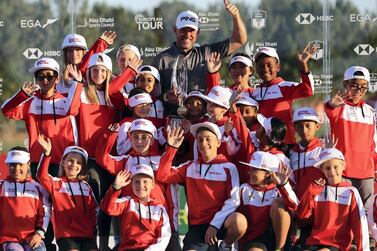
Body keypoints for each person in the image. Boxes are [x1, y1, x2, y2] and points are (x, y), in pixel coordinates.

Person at [156, 123, 247, 251]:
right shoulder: (190, 167)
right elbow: (163, 176)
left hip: (221, 223)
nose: (203, 143)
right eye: (200, 140)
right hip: (197, 227)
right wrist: (171, 148)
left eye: (208, 139)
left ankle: (225, 246)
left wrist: (214, 225)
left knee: (239, 221)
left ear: (218, 143)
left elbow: (234, 200)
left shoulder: (229, 167)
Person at [153, 0, 247, 115]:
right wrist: (166, 97)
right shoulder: (161, 59)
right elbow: (151, 93)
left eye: (191, 30)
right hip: (170, 119)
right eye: (183, 30)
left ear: (198, 32)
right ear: (175, 30)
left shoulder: (207, 52)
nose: (187, 35)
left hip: (201, 120)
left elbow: (239, 40)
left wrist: (236, 16)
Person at [1, 57, 82, 177]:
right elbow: (6, 111)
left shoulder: (65, 101)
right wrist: (21, 95)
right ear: (36, 79)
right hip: (38, 162)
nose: (45, 80)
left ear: (57, 79)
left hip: (63, 164)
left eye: (49, 76)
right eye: (40, 76)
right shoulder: (30, 102)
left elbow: (73, 109)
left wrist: (77, 83)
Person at [296, 148, 370, 250]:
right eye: (327, 168)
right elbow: (301, 214)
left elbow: (360, 225)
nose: (332, 171)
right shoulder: (316, 190)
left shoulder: (351, 192)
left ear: (343, 166)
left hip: (338, 245)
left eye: (336, 167)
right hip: (314, 242)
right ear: (322, 170)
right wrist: (310, 193)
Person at [325, 66, 376, 205]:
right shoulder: (339, 106)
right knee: (342, 211)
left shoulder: (370, 111)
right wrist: (331, 105)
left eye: (363, 87)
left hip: (366, 173)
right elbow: (330, 110)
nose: (359, 91)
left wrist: (374, 168)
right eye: (354, 86)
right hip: (343, 171)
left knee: (366, 214)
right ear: (345, 84)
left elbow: (372, 144)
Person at [37, 136, 98, 251]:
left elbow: (94, 210)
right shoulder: (57, 183)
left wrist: (93, 231)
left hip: (88, 235)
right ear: (63, 162)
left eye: (78, 162)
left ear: (82, 167)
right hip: (67, 236)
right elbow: (41, 176)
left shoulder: (86, 186)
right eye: (70, 160)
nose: (73, 164)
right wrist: (47, 154)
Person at [251, 45, 317, 145]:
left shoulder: (285, 87)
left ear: (278, 67)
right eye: (261, 65)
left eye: (269, 65)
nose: (265, 68)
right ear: (256, 69)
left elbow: (308, 90)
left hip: (285, 146)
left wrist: (303, 65)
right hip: (261, 147)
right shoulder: (254, 93)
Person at [238, 151, 298, 251]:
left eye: (254, 169)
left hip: (276, 239)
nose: (249, 172)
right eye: (250, 168)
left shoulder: (279, 190)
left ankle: (280, 249)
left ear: (268, 173)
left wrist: (283, 185)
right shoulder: (243, 189)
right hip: (255, 242)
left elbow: (296, 208)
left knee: (278, 203)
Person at [100, 166, 171, 250]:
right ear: (131, 184)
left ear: (152, 185)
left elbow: (164, 236)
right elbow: (107, 207)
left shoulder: (159, 209)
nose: (141, 185)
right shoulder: (127, 202)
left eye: (145, 182)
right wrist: (115, 187)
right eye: (137, 182)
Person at [0, 147, 51, 251]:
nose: (16, 168)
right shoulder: (1, 186)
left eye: (20, 164)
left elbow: (45, 211)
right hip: (9, 239)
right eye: (12, 165)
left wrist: (39, 233)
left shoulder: (38, 187)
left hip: (32, 237)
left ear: (28, 164)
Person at [290, 107, 324, 200]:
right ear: (295, 128)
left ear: (317, 126)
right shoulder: (292, 153)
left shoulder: (324, 148)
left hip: (320, 203)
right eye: (300, 126)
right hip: (300, 204)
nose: (304, 130)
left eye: (308, 125)